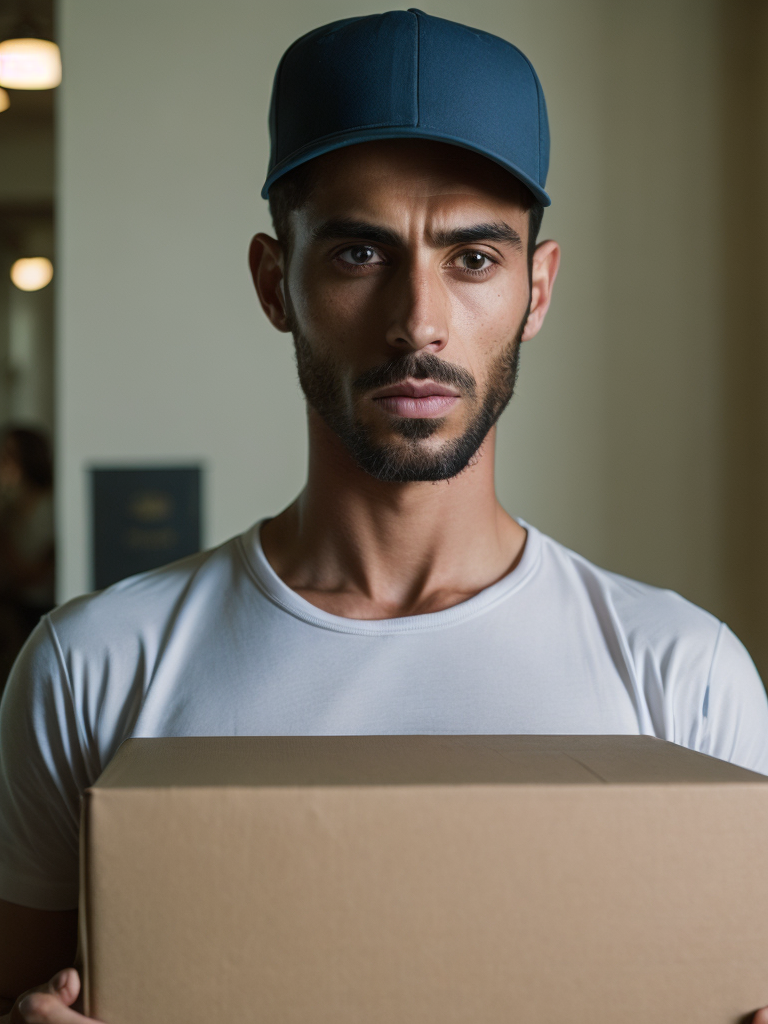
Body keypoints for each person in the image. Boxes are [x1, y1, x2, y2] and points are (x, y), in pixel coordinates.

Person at [2, 10, 768, 1023]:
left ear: (537, 289)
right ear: (277, 283)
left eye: (474, 258)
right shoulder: (94, 666)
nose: (418, 320)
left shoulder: (684, 678)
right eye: (359, 254)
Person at [0, 427, 55, 696]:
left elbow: (34, 572)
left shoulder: (52, 507)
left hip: (44, 607)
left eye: (10, 456)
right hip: (15, 606)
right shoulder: (8, 509)